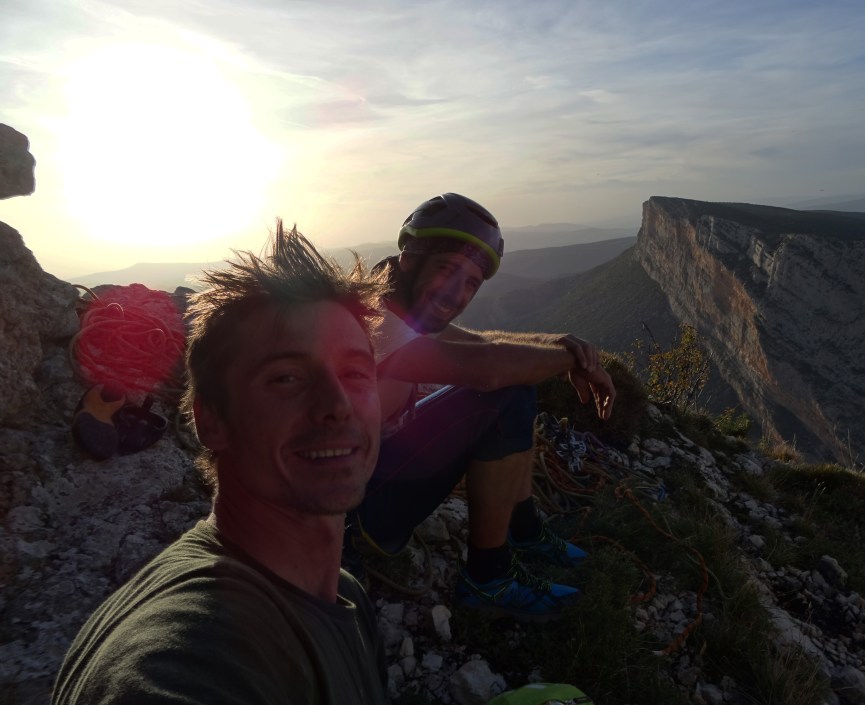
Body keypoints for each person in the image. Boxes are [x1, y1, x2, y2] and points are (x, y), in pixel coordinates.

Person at [52, 222, 391, 705]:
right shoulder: (187, 659)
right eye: (287, 377)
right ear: (210, 421)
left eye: (355, 372)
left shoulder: (344, 595)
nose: (337, 404)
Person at [346, 193, 617, 622]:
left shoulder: (393, 302)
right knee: (502, 393)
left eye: (471, 283)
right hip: (356, 512)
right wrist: (571, 360)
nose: (456, 293)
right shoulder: (378, 323)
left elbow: (481, 343)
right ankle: (488, 577)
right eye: (447, 270)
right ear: (411, 259)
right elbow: (489, 369)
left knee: (515, 387)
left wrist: (559, 344)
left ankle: (523, 529)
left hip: (368, 479)